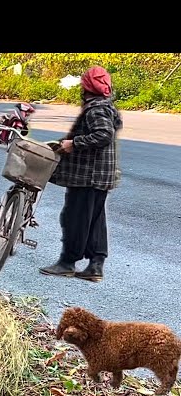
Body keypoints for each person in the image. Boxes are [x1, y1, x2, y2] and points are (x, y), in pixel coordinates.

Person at [40, 66, 123, 282]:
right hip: (100, 176)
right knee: (95, 220)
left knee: (74, 218)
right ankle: (95, 265)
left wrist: (74, 143)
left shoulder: (96, 109)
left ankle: (67, 262)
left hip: (88, 176)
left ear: (86, 87)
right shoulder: (106, 106)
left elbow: (103, 134)